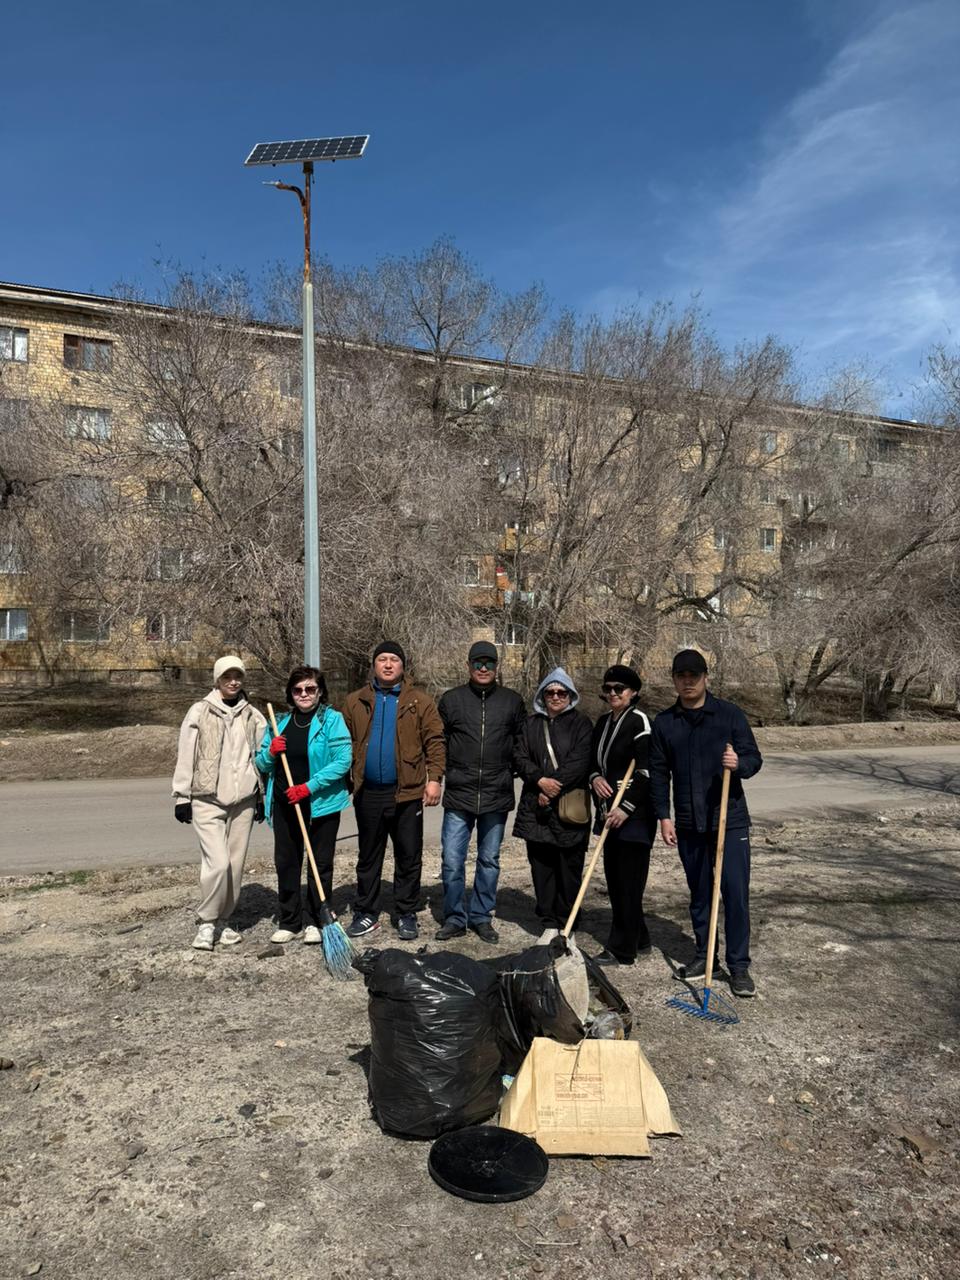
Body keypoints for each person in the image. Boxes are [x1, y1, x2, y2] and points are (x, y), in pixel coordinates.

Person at [648, 648, 763, 998]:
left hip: (729, 822)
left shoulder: (728, 715)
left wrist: (738, 763)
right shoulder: (665, 723)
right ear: (674, 680)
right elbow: (658, 773)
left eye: (693, 676)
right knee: (700, 894)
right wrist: (664, 817)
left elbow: (754, 759)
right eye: (681, 676)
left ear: (705, 678)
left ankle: (739, 966)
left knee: (734, 894)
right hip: (688, 824)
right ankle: (706, 956)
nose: (687, 682)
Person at [341, 642, 445, 941]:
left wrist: (434, 778)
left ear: (403, 666)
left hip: (408, 793)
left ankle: (406, 912)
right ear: (373, 665)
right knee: (369, 856)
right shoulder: (355, 701)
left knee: (408, 856)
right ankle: (366, 913)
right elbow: (341, 744)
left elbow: (435, 742)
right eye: (382, 659)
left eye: (394, 660)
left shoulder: (419, 701)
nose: (388, 665)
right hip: (369, 793)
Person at [172, 655, 266, 951]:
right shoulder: (200, 711)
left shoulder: (253, 714)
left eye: (238, 676)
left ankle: (225, 920)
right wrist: (182, 795)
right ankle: (206, 922)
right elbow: (186, 753)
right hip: (207, 798)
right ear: (217, 680)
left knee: (235, 865)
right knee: (218, 863)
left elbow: (261, 757)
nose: (233, 682)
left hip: (244, 800)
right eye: (227, 677)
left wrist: (261, 795)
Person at [436, 640, 526, 944]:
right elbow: (439, 743)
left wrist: (509, 770)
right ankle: (454, 917)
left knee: (489, 860)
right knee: (451, 860)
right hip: (459, 794)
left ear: (497, 666)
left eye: (489, 663)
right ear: (468, 666)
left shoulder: (512, 702)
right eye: (478, 663)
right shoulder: (451, 700)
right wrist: (441, 774)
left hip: (496, 794)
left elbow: (521, 743)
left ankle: (481, 916)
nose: (483, 668)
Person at [254, 666, 352, 945]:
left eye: (310, 689)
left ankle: (316, 919)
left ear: (320, 691)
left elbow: (342, 761)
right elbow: (260, 763)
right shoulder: (279, 723)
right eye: (298, 690)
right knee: (287, 862)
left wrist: (308, 787)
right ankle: (290, 921)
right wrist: (271, 753)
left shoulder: (332, 720)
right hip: (285, 803)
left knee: (320, 863)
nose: (304, 694)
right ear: (290, 693)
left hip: (321, 803)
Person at [513, 667, 593, 944]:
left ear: (570, 694)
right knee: (541, 866)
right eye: (550, 692)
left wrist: (553, 786)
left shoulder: (581, 724)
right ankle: (548, 921)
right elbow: (520, 756)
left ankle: (567, 921)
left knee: (569, 868)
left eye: (561, 692)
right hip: (536, 807)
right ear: (542, 695)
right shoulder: (531, 724)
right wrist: (539, 781)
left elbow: (581, 761)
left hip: (569, 806)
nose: (556, 697)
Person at [589, 664, 657, 967]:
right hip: (607, 814)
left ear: (633, 693)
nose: (613, 693)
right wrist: (594, 778)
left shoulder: (640, 721)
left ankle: (621, 949)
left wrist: (626, 807)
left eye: (620, 689)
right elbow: (593, 761)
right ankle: (640, 938)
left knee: (628, 883)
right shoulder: (603, 722)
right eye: (609, 689)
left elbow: (646, 771)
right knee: (616, 882)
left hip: (634, 817)